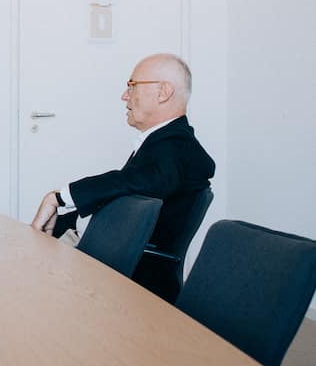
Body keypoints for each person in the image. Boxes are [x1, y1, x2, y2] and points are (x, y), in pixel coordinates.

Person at [30, 53, 215, 300]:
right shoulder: (161, 144)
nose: (124, 96)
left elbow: (138, 181)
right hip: (105, 262)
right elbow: (116, 200)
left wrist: (59, 197)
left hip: (133, 284)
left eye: (132, 86)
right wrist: (48, 229)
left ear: (163, 92)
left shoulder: (178, 148)